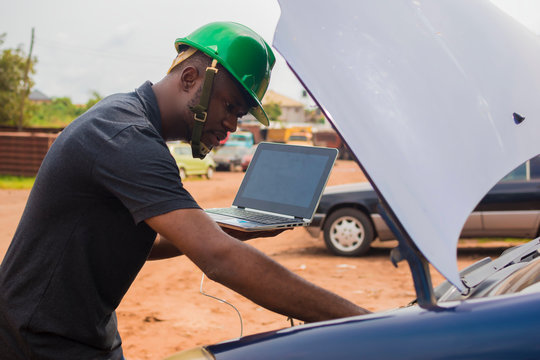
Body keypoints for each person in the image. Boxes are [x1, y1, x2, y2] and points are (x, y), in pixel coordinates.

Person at [0, 22, 369, 359]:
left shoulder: (130, 124)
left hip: (83, 334)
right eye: (229, 105)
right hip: (38, 342)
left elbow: (137, 244)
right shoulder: (127, 137)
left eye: (240, 115)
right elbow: (219, 259)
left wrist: (223, 227)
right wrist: (360, 321)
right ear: (191, 77)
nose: (230, 124)